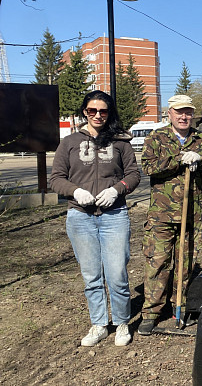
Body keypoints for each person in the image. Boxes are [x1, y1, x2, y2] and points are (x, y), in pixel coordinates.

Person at [49, 91, 141, 347]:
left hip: (114, 216)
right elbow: (56, 178)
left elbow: (134, 174)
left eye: (103, 111)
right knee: (91, 275)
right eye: (92, 111)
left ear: (109, 113)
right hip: (80, 217)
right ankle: (99, 323)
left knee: (117, 273)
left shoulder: (121, 142)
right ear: (84, 112)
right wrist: (75, 191)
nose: (98, 115)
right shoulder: (68, 143)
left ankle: (122, 322)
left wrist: (117, 189)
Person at [138, 95, 202, 335]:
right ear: (170, 113)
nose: (184, 117)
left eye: (188, 112)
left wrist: (201, 158)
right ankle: (152, 312)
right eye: (179, 112)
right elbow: (148, 166)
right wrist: (178, 159)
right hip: (162, 215)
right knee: (157, 262)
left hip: (191, 214)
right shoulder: (157, 137)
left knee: (185, 264)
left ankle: (180, 306)